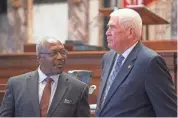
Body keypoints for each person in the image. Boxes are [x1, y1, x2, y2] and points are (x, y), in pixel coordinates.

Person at [95, 8, 177, 117]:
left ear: (130, 32)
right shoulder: (107, 58)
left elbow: (168, 112)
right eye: (108, 27)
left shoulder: (150, 61)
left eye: (112, 28)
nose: (107, 33)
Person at [0, 37, 90, 117]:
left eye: (63, 52)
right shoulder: (16, 84)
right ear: (39, 58)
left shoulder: (78, 88)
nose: (60, 57)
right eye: (53, 53)